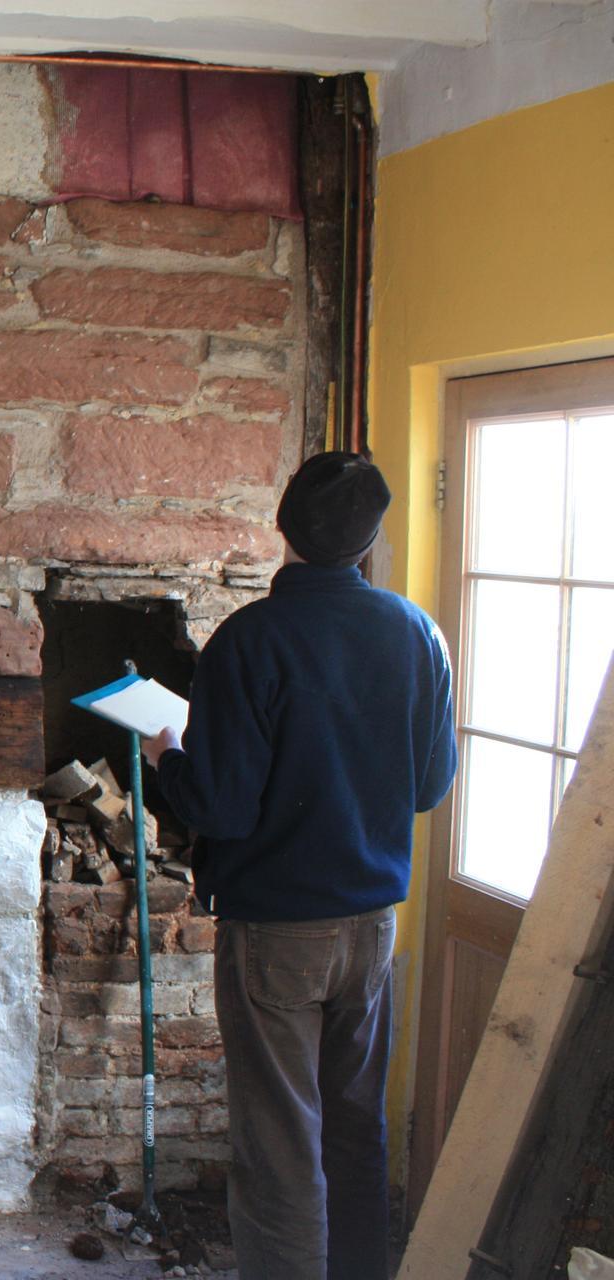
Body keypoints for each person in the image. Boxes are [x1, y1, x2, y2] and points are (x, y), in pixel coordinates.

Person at [141, 451, 457, 1280]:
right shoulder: (419, 634)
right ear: (372, 538)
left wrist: (167, 756)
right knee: (355, 1128)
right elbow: (429, 786)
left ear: (282, 527)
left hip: (278, 932)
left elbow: (220, 808)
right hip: (372, 932)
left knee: (279, 1145)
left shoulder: (249, 641)